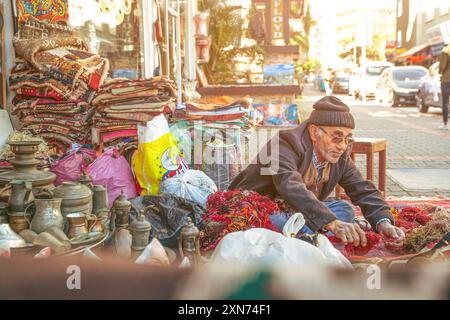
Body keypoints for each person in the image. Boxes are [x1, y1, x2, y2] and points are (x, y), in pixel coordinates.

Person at [229, 96, 405, 248]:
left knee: (345, 209)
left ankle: (304, 232)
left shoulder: (340, 155)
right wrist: (332, 223)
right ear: (314, 132)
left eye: (347, 138)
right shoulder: (282, 145)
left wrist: (384, 223)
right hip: (261, 206)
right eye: (336, 137)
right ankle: (309, 235)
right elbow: (290, 186)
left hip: (299, 211)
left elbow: (362, 188)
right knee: (277, 219)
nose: (342, 145)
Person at [438, 41, 450, 130]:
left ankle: (445, 124)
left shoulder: (446, 50)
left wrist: (440, 73)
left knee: (445, 102)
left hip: (446, 79)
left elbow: (442, 65)